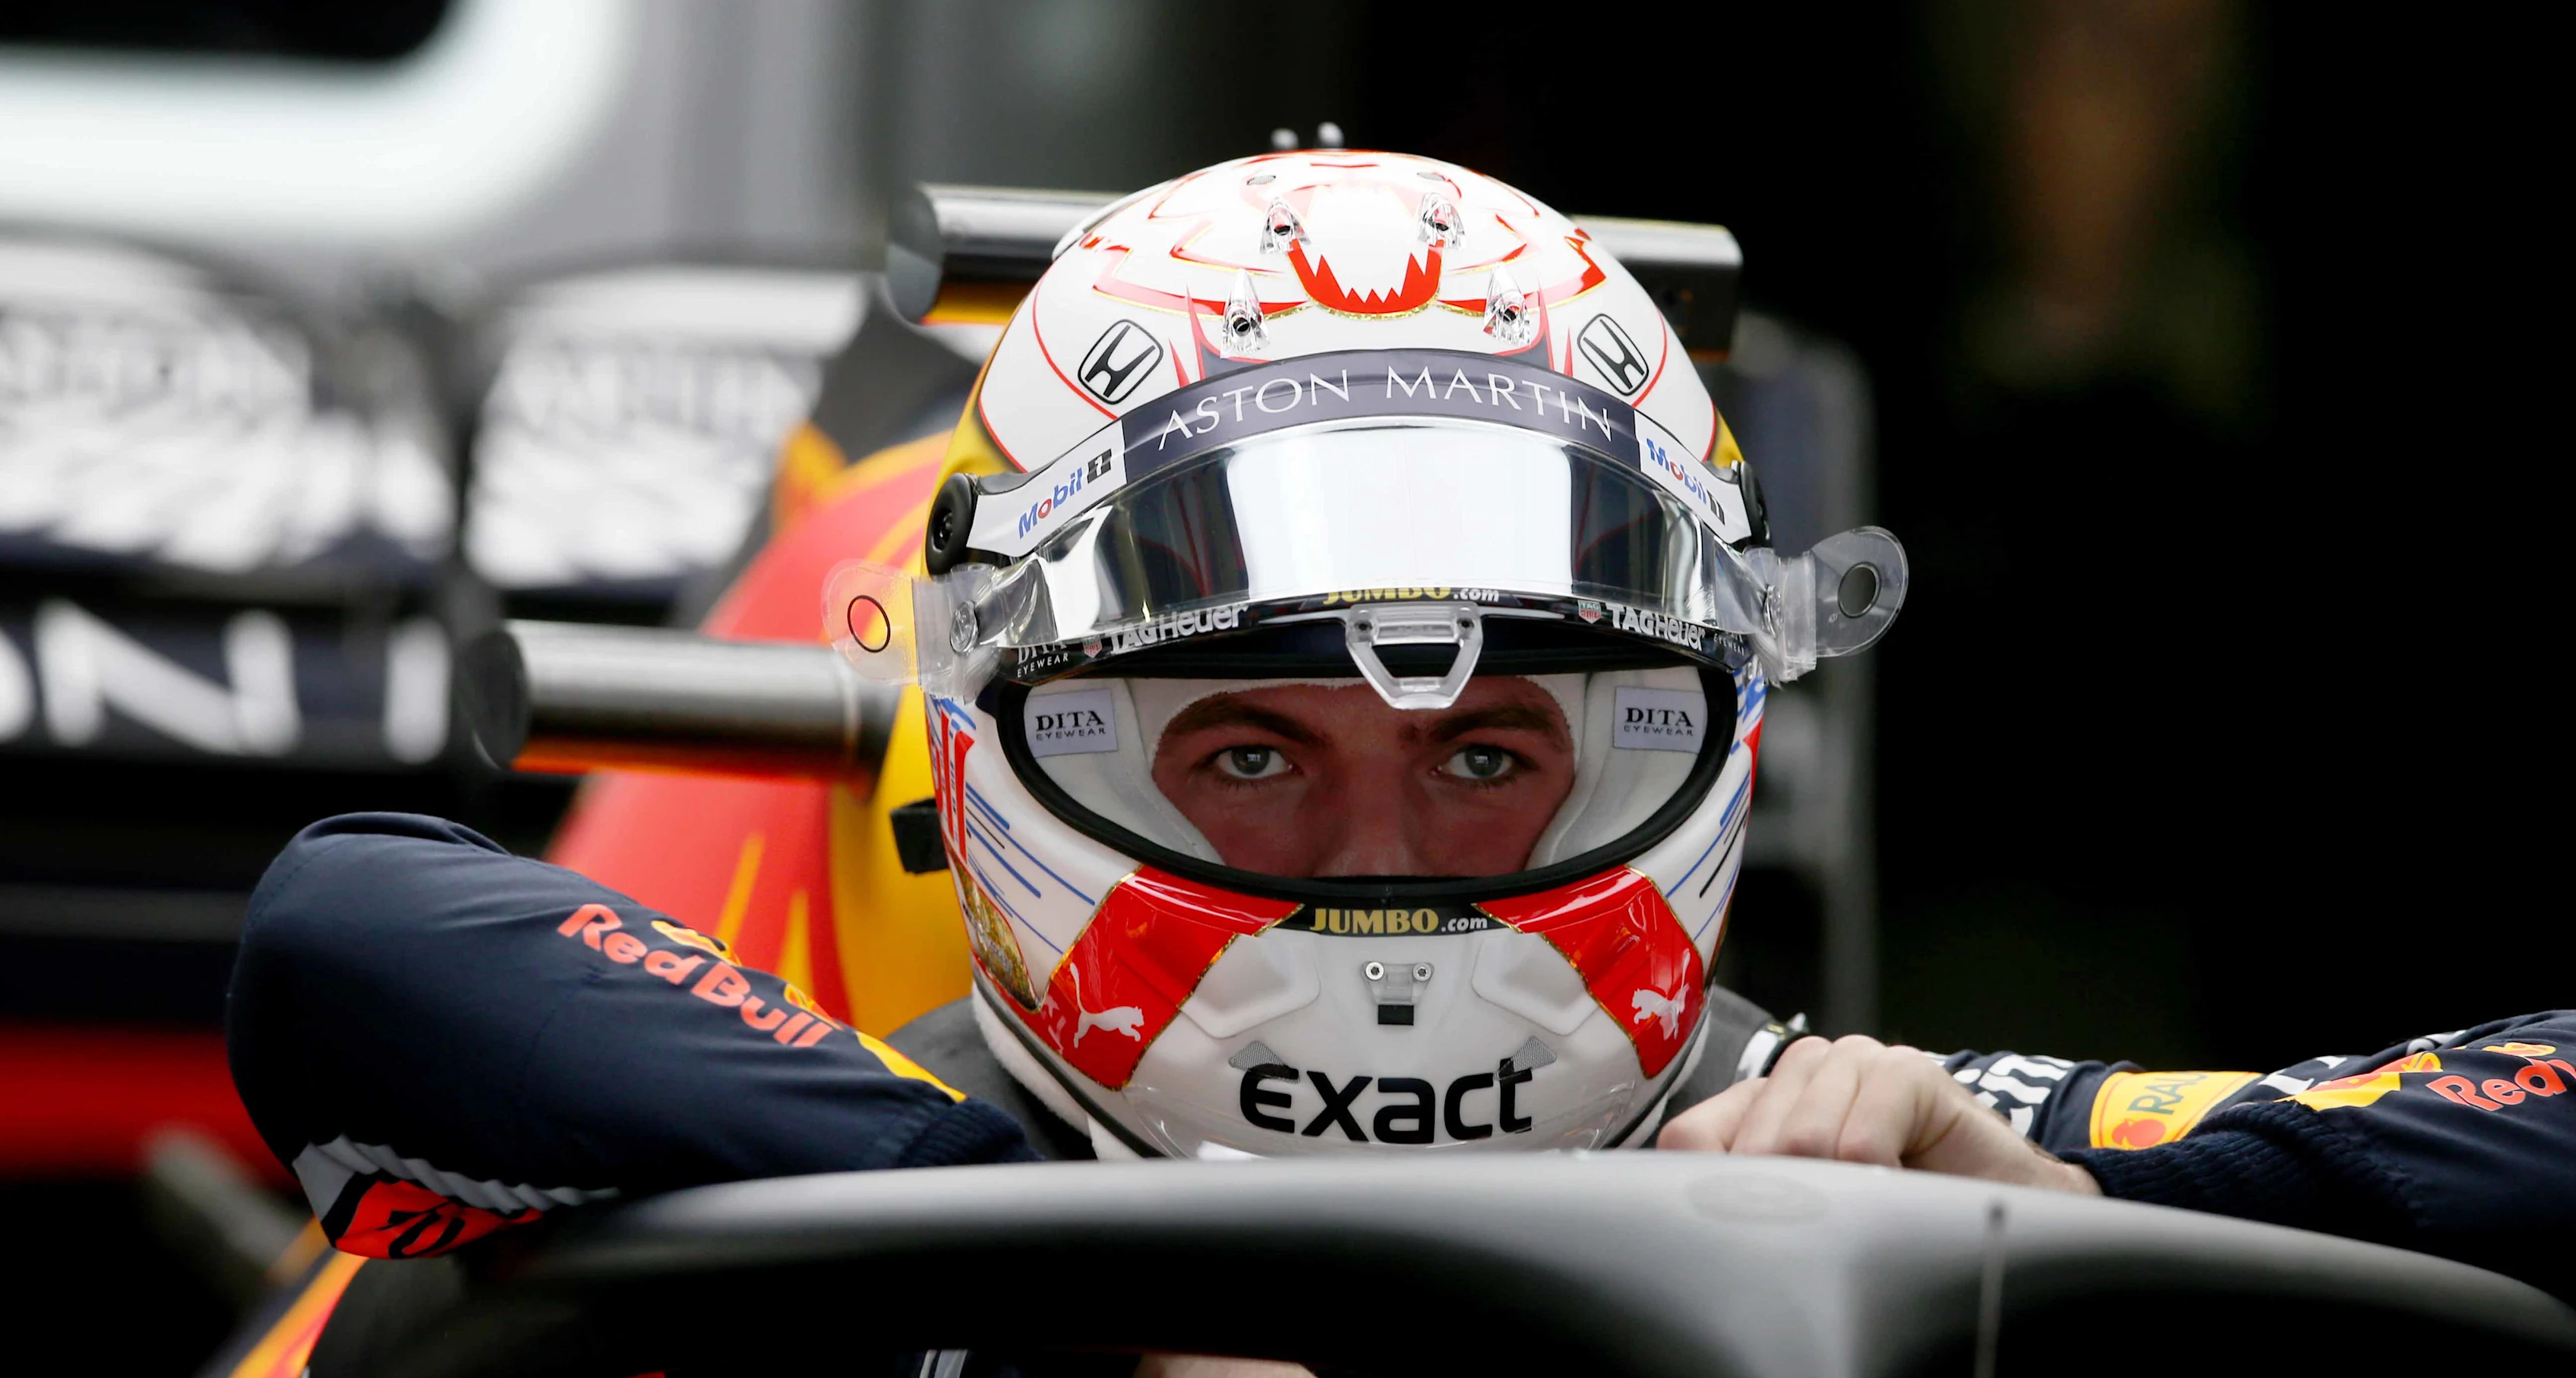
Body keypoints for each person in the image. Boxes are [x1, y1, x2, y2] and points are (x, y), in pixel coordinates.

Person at [218, 151, 2571, 1373]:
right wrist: (1053, 1275)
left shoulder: (1824, 1140)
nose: (1385, 855)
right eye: (1249, 746)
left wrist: (2040, 1241)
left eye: (1496, 750)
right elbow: (356, 927)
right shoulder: (797, 1184)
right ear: (1002, 738)